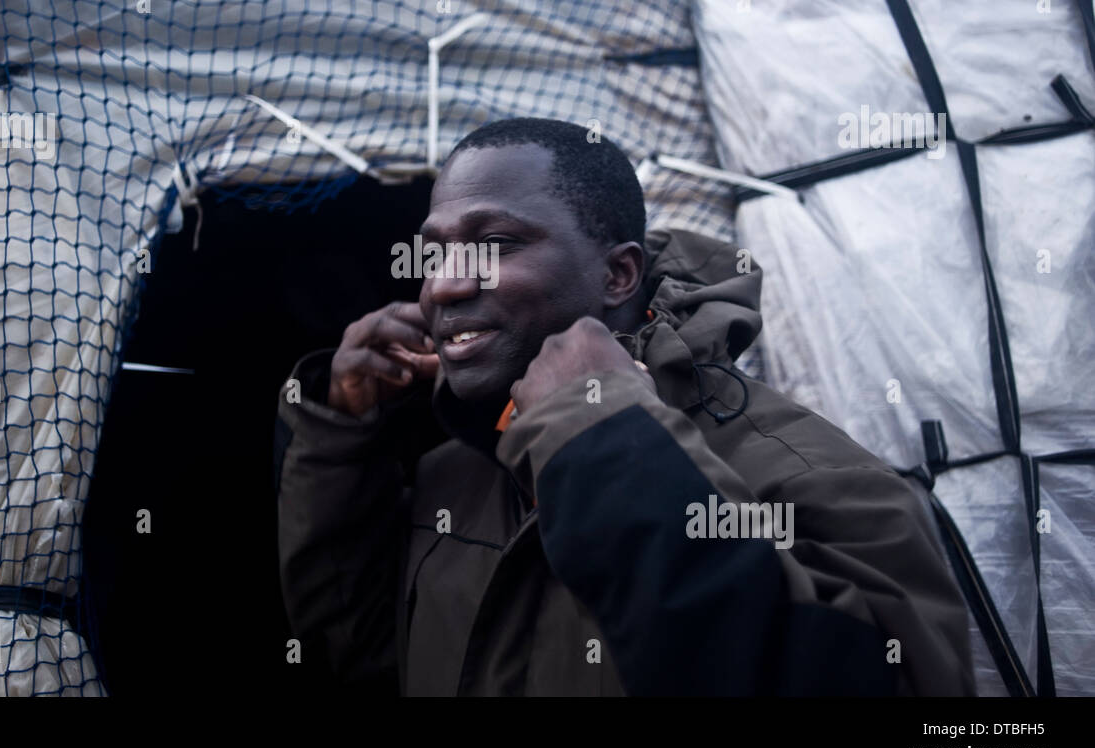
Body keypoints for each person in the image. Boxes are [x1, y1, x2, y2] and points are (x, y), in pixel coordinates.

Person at [275, 117, 975, 696]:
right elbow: (362, 658)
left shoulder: (815, 479)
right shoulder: (450, 475)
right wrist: (345, 443)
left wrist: (598, 436)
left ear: (618, 273)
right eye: (433, 255)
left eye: (493, 245)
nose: (445, 287)